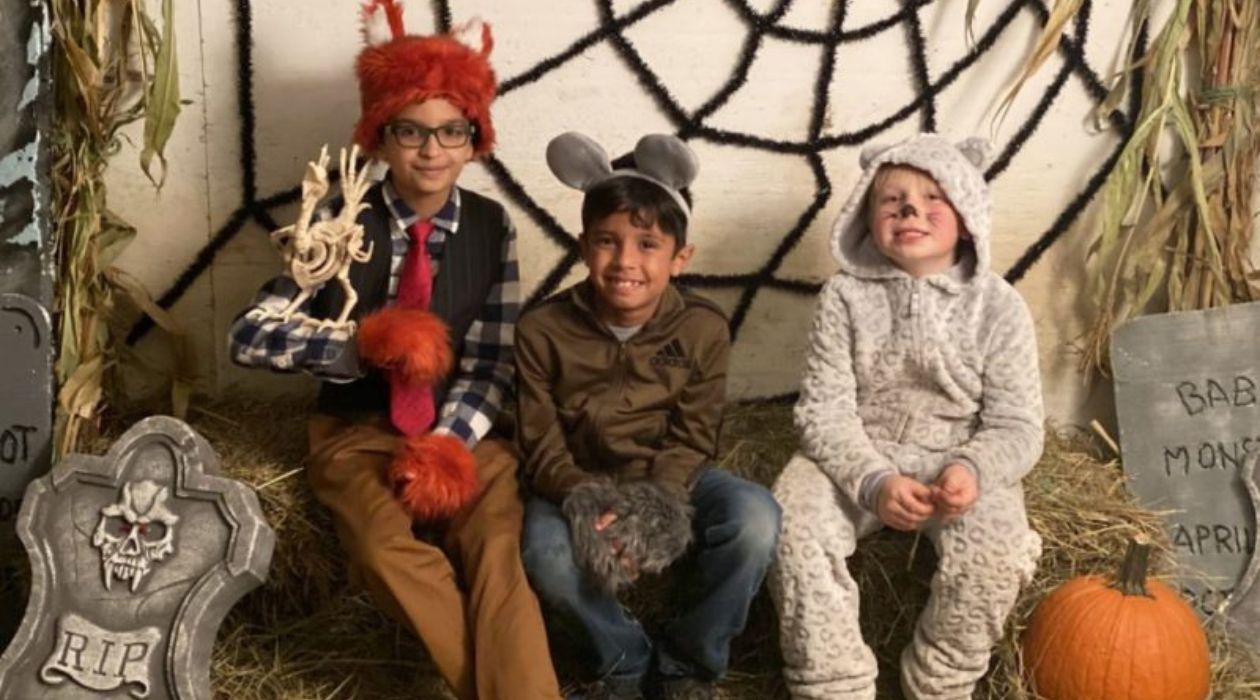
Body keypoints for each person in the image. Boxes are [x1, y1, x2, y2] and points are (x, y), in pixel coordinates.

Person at [227, 2, 561, 698]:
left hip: (461, 435)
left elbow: (493, 358)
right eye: (412, 131)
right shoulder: (337, 220)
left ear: (475, 141)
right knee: (384, 550)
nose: (431, 150)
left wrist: (448, 440)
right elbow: (248, 334)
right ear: (380, 137)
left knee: (499, 552)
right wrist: (356, 343)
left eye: (451, 132)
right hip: (358, 434)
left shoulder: (493, 228)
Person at [770, 134, 1045, 700]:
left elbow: (1017, 424)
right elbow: (823, 410)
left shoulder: (999, 306)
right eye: (892, 200)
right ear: (867, 221)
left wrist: (973, 469)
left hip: (957, 458)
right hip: (859, 449)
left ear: (967, 218)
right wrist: (872, 480)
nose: (911, 210)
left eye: (932, 198)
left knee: (998, 550)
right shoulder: (844, 298)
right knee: (790, 522)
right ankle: (834, 682)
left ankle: (940, 679)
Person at [515, 132, 781, 700]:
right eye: (608, 242)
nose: (626, 262)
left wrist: (654, 503)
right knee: (547, 553)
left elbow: (695, 434)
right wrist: (584, 499)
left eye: (647, 245)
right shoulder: (540, 330)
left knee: (755, 519)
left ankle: (689, 664)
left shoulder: (703, 328)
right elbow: (541, 446)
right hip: (574, 480)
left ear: (680, 257)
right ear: (583, 247)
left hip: (671, 477)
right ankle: (623, 662)